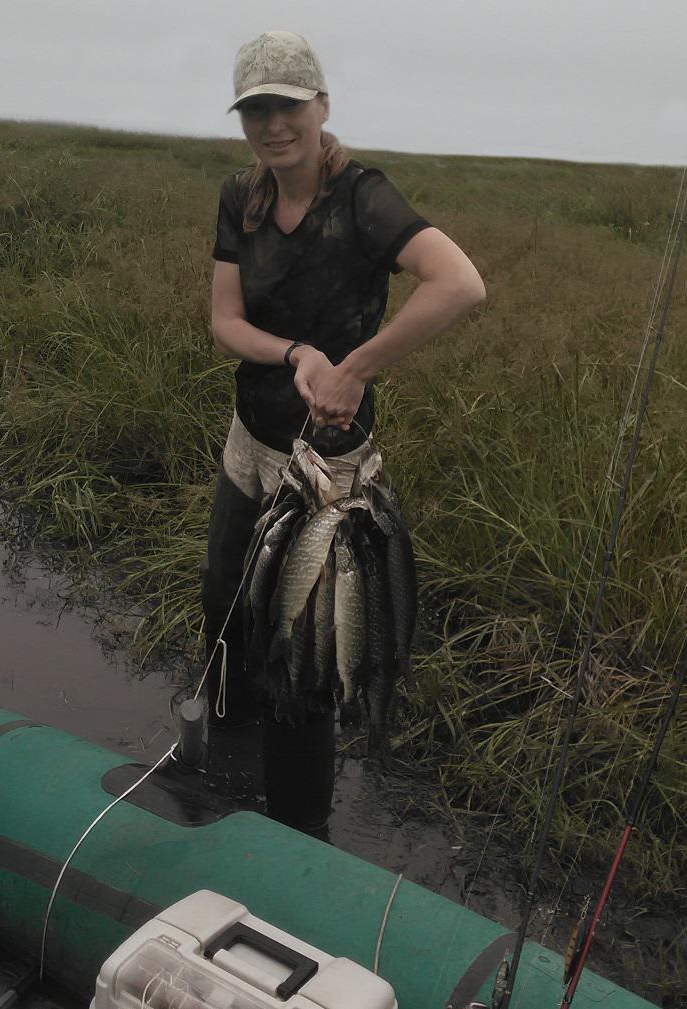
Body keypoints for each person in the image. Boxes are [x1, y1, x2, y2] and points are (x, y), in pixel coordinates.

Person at [202, 30, 485, 837]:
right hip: (251, 443)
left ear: (321, 105)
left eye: (287, 105)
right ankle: (224, 767)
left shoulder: (363, 196)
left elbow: (460, 282)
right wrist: (298, 352)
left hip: (329, 473)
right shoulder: (241, 194)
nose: (272, 124)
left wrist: (356, 367)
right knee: (225, 602)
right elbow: (225, 321)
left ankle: (299, 829)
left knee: (307, 649)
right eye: (256, 108)